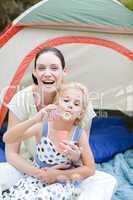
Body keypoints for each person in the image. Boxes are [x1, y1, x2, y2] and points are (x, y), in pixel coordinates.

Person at [0, 47, 117, 199]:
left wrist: (61, 171)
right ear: (35, 72)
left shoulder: (80, 101)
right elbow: (10, 151)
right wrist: (40, 174)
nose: (47, 73)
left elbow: (83, 161)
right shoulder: (23, 101)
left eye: (54, 68)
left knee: (107, 180)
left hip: (64, 174)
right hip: (26, 167)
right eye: (41, 68)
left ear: (64, 71)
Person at [2, 82, 95, 200]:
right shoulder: (42, 127)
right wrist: (34, 120)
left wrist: (60, 173)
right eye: (66, 101)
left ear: (80, 113)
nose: (70, 105)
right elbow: (7, 138)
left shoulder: (78, 134)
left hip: (61, 184)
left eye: (76, 104)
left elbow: (90, 169)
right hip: (37, 179)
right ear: (56, 104)